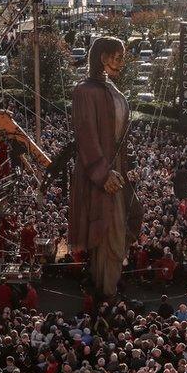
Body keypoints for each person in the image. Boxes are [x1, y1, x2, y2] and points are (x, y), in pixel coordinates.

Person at [68, 36, 143, 299]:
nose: (122, 62)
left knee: (125, 226)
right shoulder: (84, 91)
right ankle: (105, 293)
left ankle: (108, 288)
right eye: (118, 57)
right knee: (106, 234)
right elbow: (85, 135)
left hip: (116, 174)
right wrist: (102, 173)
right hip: (98, 177)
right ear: (103, 58)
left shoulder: (112, 89)